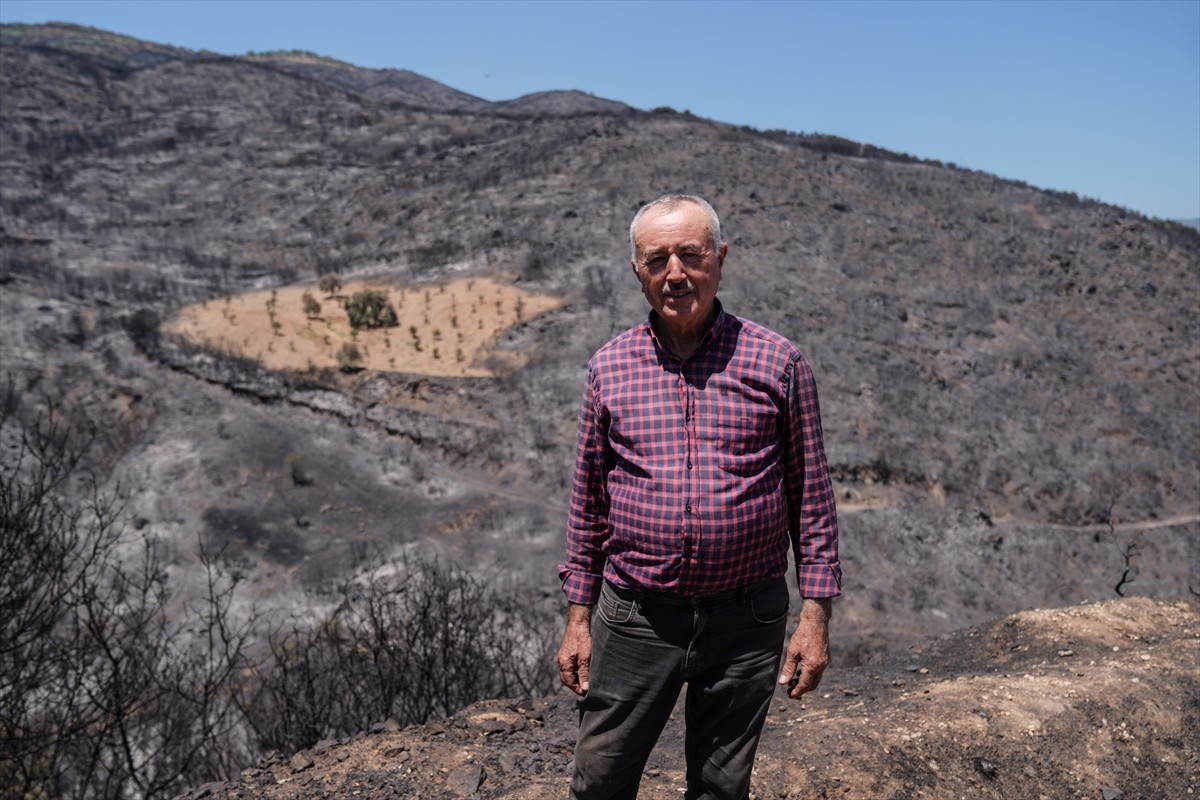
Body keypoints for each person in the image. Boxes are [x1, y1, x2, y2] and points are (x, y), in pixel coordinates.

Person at [556, 194, 841, 800]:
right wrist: (578, 618)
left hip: (747, 618)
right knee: (600, 779)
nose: (676, 273)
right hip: (636, 615)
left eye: (691, 253)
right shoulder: (609, 368)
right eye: (657, 259)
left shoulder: (779, 363)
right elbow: (587, 502)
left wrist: (815, 616)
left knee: (719, 787)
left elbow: (812, 497)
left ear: (721, 258)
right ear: (638, 272)